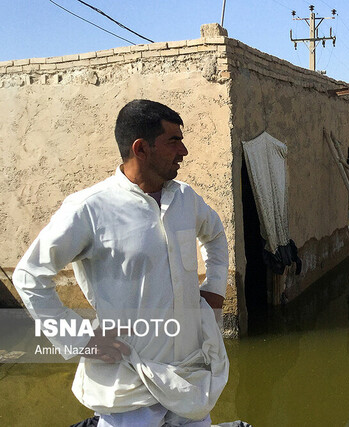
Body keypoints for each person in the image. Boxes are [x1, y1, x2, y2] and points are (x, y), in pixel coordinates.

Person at [13, 99, 229, 426]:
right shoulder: (90, 209)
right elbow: (29, 276)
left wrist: (213, 293)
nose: (183, 151)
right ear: (141, 148)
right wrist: (81, 340)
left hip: (191, 380)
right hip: (130, 389)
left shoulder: (185, 198)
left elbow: (214, 235)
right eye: (174, 141)